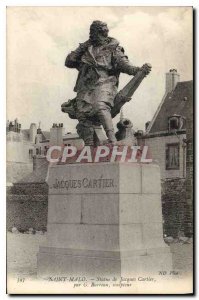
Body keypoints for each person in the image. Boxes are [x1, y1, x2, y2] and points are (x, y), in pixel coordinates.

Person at [65, 20, 141, 145]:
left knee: (100, 106)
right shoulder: (86, 49)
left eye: (97, 33)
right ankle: (90, 147)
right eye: (92, 33)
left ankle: (112, 139)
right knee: (83, 117)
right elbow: (69, 62)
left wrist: (136, 70)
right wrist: (82, 46)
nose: (93, 35)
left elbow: (124, 64)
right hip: (86, 87)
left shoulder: (113, 49)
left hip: (104, 83)